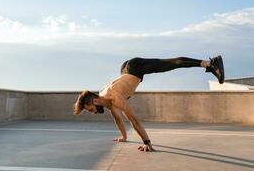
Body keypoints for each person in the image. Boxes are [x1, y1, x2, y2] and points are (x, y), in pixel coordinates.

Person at [73, 56, 225, 152]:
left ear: (94, 101)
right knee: (167, 65)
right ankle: (209, 63)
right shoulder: (109, 104)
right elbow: (118, 119)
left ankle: (210, 63)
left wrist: (147, 142)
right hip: (126, 70)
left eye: (90, 109)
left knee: (169, 64)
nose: (92, 112)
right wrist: (123, 137)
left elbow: (134, 120)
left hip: (134, 68)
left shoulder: (114, 98)